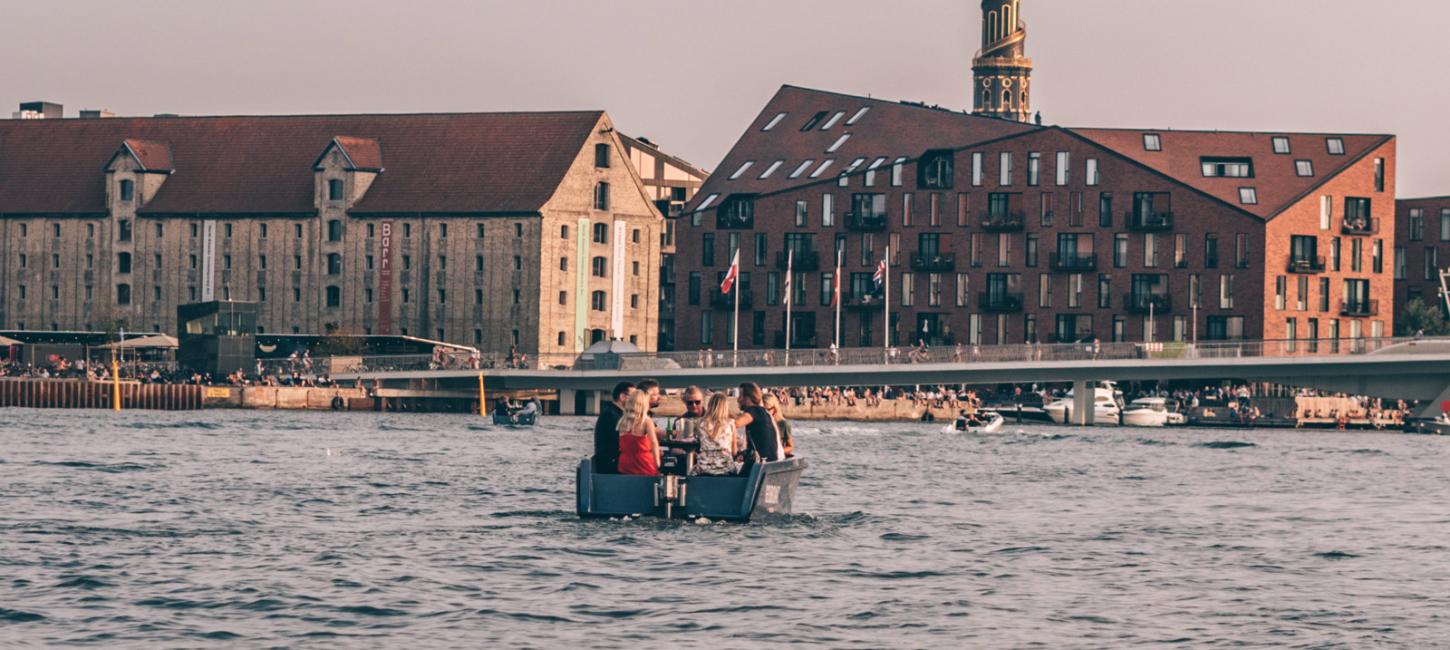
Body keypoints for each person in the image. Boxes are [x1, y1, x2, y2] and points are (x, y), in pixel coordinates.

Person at [733, 382, 783, 464]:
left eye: (740, 396)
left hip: (760, 464)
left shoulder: (753, 411)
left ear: (748, 398)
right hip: (770, 461)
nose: (738, 399)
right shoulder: (763, 412)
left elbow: (735, 424)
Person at [693, 393, 741, 476]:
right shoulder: (730, 423)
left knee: (691, 472)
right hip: (726, 468)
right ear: (725, 407)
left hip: (704, 468)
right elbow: (734, 452)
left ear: (710, 406)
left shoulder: (699, 423)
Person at [592, 381, 634, 474]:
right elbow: (620, 440)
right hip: (611, 465)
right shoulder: (611, 415)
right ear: (623, 397)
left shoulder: (614, 412)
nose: (635, 401)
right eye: (633, 397)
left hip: (611, 462)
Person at [616, 391, 661, 476]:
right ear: (644, 405)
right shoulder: (646, 422)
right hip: (642, 463)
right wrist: (657, 463)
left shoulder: (622, 421)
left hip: (625, 463)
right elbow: (654, 443)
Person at [762, 393, 795, 457]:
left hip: (776, 458)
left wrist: (777, 452)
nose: (764, 413)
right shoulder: (758, 422)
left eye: (767, 410)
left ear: (774, 408)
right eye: (762, 410)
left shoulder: (783, 424)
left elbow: (790, 446)